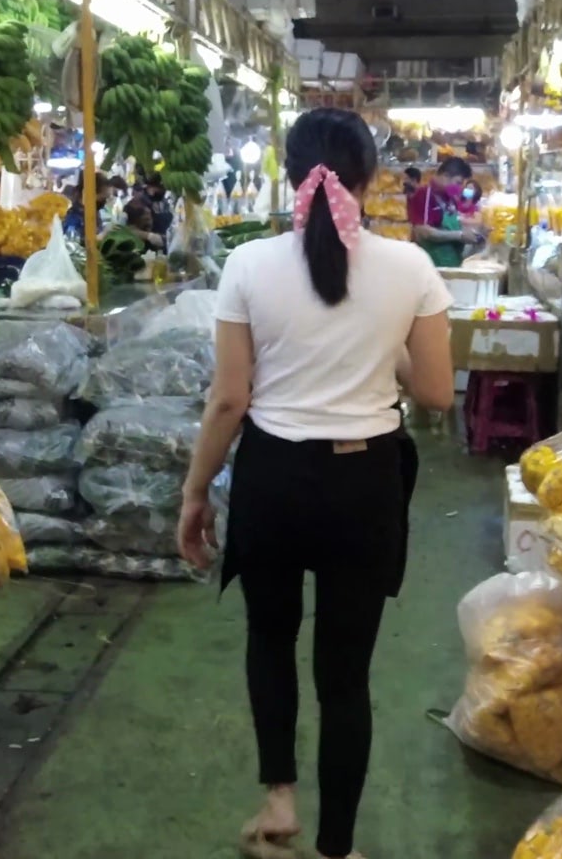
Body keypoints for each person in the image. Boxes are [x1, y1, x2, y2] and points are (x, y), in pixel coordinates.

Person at [177, 108, 455, 859]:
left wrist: (195, 494)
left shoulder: (248, 266)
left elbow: (229, 400)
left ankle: (278, 804)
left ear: (291, 175)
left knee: (269, 641)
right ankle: (336, 848)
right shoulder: (412, 269)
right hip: (364, 485)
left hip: (272, 479)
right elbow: (435, 393)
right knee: (345, 676)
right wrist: (384, 344)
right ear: (369, 179)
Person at [409, 156, 477, 268]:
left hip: (452, 264)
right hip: (432, 265)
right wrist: (459, 235)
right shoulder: (424, 195)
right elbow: (423, 232)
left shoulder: (449, 197)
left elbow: (455, 223)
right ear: (445, 176)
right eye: (458, 183)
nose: (459, 188)